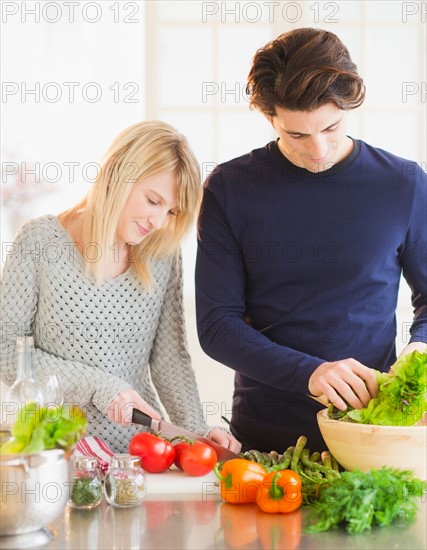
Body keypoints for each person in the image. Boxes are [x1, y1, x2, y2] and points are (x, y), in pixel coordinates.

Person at [195, 28, 427, 453]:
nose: (317, 150)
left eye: (331, 127)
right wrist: (309, 373)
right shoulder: (230, 188)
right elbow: (217, 326)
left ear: (349, 104)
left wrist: (419, 348)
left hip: (373, 432)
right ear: (270, 118)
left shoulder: (404, 183)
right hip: (266, 441)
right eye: (296, 135)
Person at [1, 120, 241, 454]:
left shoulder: (162, 254)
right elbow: (6, 351)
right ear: (115, 172)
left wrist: (196, 432)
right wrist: (99, 385)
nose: (158, 223)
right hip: (57, 451)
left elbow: (169, 359)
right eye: (153, 201)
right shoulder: (39, 242)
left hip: (140, 454)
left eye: (171, 212)